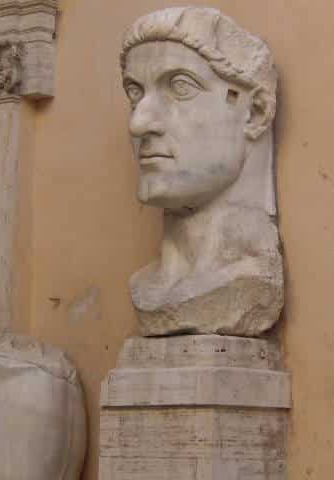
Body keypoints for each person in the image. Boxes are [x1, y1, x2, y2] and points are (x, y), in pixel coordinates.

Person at [120, 7, 284, 337]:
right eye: (134, 92)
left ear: (254, 112)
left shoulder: (251, 277)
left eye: (180, 87)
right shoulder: (144, 286)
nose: (138, 123)